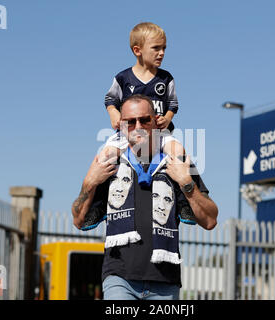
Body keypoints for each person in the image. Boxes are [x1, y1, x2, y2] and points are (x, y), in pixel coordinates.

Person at [72, 95, 218, 300]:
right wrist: (89, 183)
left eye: (144, 120)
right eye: (130, 122)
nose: (137, 126)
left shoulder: (176, 162)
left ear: (156, 122)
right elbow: (79, 220)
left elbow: (210, 220)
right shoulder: (109, 164)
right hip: (119, 278)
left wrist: (187, 183)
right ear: (121, 126)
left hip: (165, 283)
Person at [101, 22, 184, 163]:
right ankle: (117, 182)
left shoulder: (166, 78)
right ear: (137, 50)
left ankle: (162, 177)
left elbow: (173, 103)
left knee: (178, 151)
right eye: (156, 48)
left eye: (164, 48)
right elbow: (110, 99)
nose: (162, 53)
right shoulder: (123, 78)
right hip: (128, 134)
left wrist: (167, 118)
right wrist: (113, 113)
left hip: (159, 134)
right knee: (106, 155)